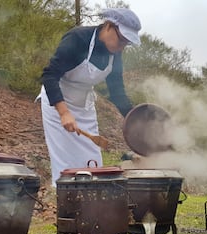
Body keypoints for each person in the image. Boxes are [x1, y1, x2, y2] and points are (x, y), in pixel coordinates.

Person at [37, 8, 141, 187]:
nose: (122, 46)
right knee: (64, 161)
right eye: (122, 39)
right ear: (109, 26)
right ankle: (66, 202)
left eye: (127, 43)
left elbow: (117, 92)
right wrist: (64, 113)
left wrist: (134, 120)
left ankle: (91, 202)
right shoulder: (78, 39)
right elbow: (50, 75)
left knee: (92, 159)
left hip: (84, 105)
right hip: (57, 102)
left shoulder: (115, 54)